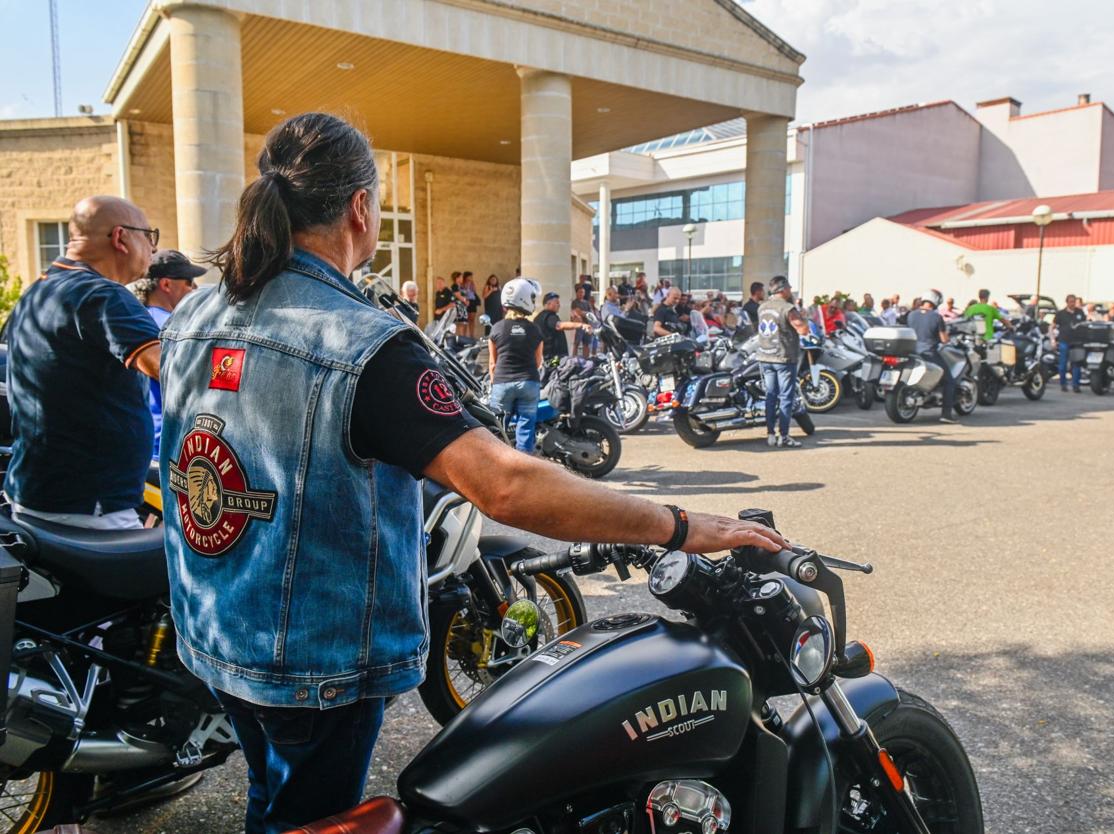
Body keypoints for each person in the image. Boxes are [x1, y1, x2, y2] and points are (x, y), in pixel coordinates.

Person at [158, 114, 784, 834]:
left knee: (276, 800)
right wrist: (682, 525)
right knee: (311, 815)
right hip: (312, 658)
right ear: (360, 209)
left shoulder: (196, 310)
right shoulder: (361, 340)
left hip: (217, 624)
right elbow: (505, 485)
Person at [4, 195, 162, 530]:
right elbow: (171, 369)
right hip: (91, 506)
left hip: (34, 496)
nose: (153, 249)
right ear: (121, 238)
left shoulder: (38, 291)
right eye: (149, 237)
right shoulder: (103, 296)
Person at [136, 249, 203, 457]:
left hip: (145, 444)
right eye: (189, 282)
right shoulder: (173, 326)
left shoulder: (136, 319)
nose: (194, 289)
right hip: (169, 447)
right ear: (166, 284)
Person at [488, 278, 543, 453]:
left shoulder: (497, 328)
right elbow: (538, 362)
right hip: (528, 382)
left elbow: (492, 363)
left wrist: (493, 382)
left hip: (502, 382)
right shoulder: (534, 329)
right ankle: (524, 470)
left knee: (498, 429)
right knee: (526, 429)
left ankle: (498, 467)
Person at [756, 275, 809, 448]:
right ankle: (784, 436)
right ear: (783, 289)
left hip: (765, 356)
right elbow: (802, 330)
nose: (791, 290)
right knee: (786, 397)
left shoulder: (762, 308)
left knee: (770, 396)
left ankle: (770, 434)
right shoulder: (788, 308)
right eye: (789, 287)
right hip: (783, 357)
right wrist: (804, 318)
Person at [906, 289, 956, 423]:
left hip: (912, 353)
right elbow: (944, 339)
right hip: (929, 353)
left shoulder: (911, 315)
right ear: (937, 301)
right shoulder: (936, 317)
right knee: (949, 381)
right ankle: (946, 414)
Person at [533, 291, 589, 363]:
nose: (559, 305)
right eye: (557, 302)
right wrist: (581, 325)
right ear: (548, 303)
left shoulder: (538, 317)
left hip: (546, 358)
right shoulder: (549, 316)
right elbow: (560, 325)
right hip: (554, 359)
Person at [1051, 294, 1086, 392]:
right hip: (1064, 341)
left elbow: (1084, 325)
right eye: (1070, 302)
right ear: (1067, 302)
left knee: (1077, 364)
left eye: (1074, 301)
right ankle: (1063, 384)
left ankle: (1076, 385)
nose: (1072, 304)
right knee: (1063, 364)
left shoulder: (1080, 312)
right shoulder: (1061, 314)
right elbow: (1052, 327)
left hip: (1077, 342)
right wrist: (1053, 339)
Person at [570, 283, 594, 357]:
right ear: (577, 293)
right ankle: (574, 358)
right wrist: (583, 313)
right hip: (578, 327)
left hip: (587, 325)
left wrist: (583, 313)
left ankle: (586, 359)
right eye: (580, 292)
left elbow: (591, 314)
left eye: (583, 292)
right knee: (576, 343)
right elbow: (576, 312)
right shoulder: (574, 302)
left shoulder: (587, 303)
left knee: (586, 344)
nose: (581, 294)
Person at [461, 271, 479, 335]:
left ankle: (472, 335)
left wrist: (471, 285)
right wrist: (466, 285)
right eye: (470, 276)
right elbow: (463, 292)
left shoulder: (472, 283)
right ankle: (464, 335)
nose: (471, 278)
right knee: (465, 320)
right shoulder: (462, 283)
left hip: (472, 301)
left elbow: (474, 291)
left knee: (472, 320)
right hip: (465, 301)